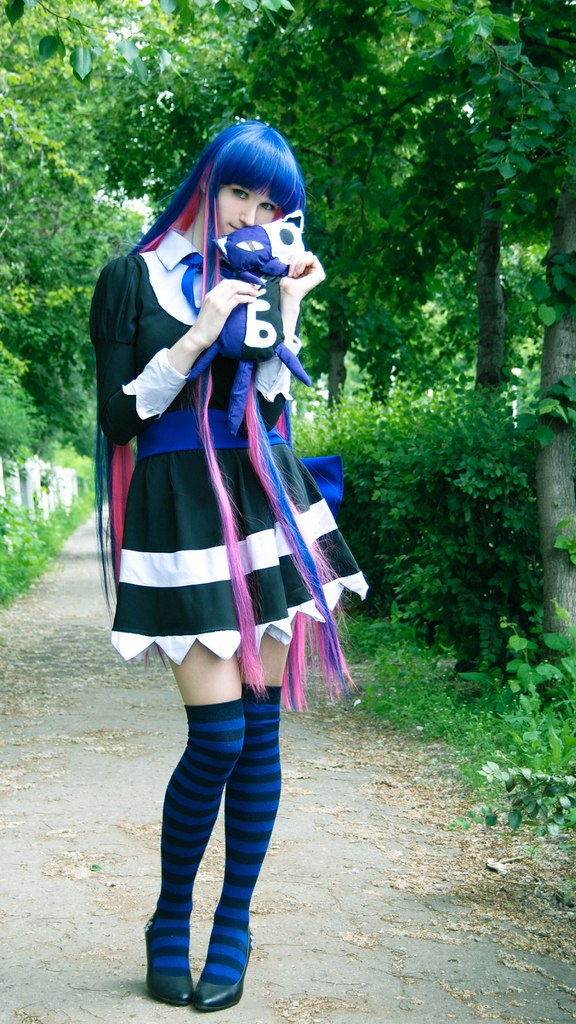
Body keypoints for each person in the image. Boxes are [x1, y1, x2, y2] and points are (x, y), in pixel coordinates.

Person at [90, 120, 367, 1012]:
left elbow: (271, 409)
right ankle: (169, 917)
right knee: (215, 738)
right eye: (240, 192)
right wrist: (201, 328)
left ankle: (234, 925)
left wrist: (288, 312)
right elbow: (120, 420)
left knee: (257, 733)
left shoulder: (265, 278)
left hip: (262, 503)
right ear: (205, 184)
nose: (250, 214)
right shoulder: (133, 278)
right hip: (180, 509)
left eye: (270, 204)